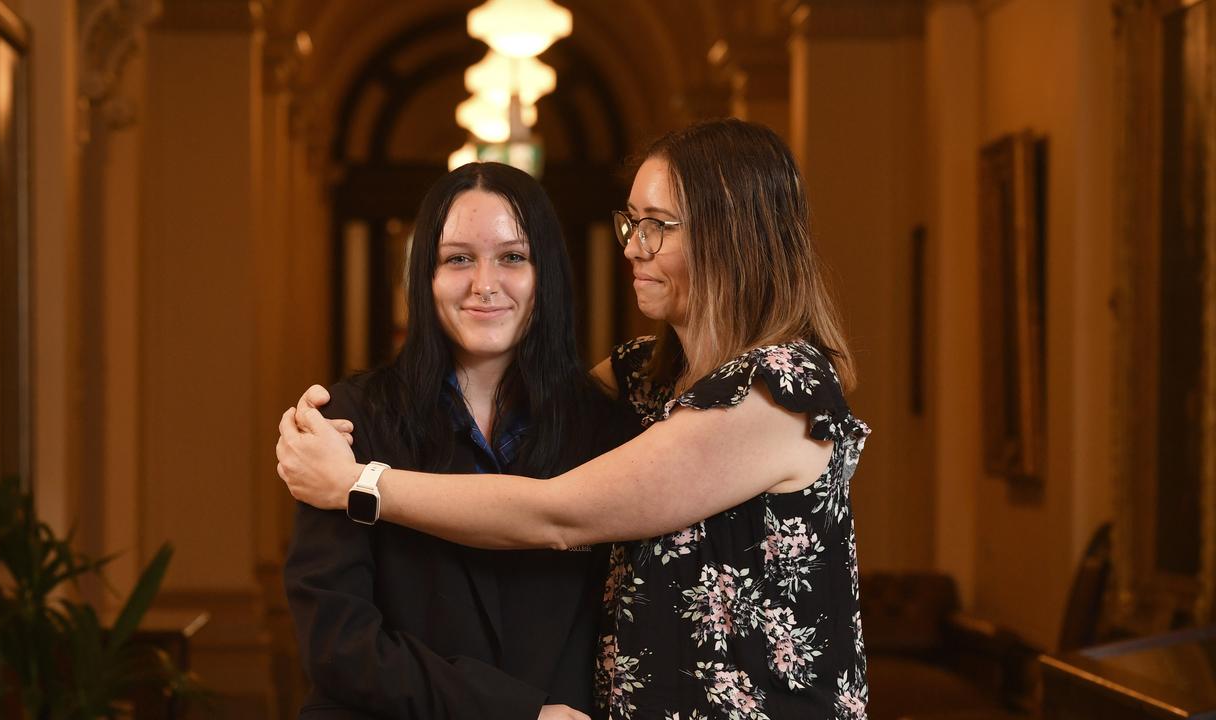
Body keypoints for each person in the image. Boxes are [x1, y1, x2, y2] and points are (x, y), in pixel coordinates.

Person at [279, 119, 872, 720]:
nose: (632, 245)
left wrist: (356, 483)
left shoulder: (778, 391)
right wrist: (308, 426)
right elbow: (537, 385)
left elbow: (556, 512)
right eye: (631, 222)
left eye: (657, 226)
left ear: (734, 237)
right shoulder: (642, 380)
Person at [282, 161, 639, 720]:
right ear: (423, 277)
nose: (485, 284)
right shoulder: (348, 421)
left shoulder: (608, 429)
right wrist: (519, 713)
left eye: (513, 257)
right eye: (458, 259)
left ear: (547, 274)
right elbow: (338, 644)